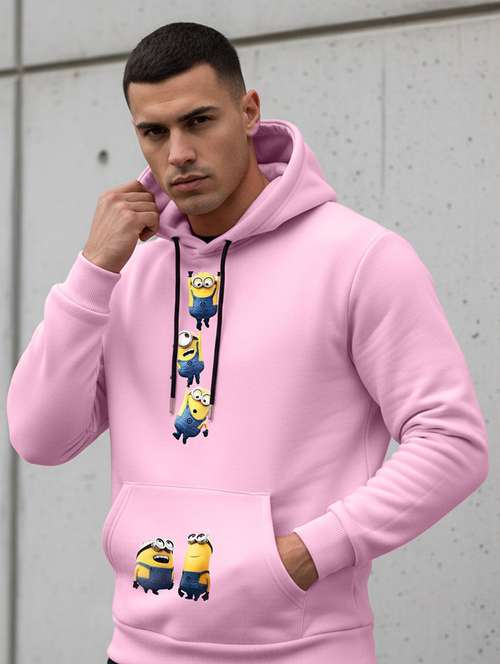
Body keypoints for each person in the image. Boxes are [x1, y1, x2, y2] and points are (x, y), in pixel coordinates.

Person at [6, 21, 489, 664]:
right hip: (137, 649)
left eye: (199, 121)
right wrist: (93, 271)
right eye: (154, 132)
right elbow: (39, 437)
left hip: (303, 650)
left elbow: (452, 442)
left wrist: (303, 555)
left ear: (249, 111)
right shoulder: (126, 273)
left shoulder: (359, 259)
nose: (178, 153)